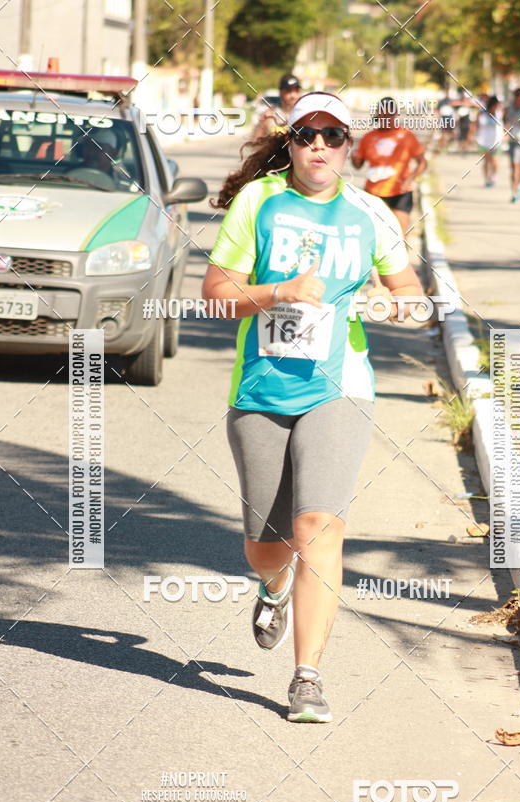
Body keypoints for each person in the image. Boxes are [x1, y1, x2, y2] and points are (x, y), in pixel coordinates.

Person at [202, 91, 423, 722]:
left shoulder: (370, 213)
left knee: (317, 527)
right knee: (267, 546)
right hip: (260, 388)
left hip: (341, 384)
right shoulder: (259, 201)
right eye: (306, 135)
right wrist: (279, 292)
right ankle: (272, 588)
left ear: (348, 144)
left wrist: (401, 303)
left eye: (331, 136)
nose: (319, 146)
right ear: (290, 141)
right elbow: (216, 294)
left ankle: (307, 677)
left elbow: (405, 286)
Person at [351, 96, 427, 237]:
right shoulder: (368, 137)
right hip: (373, 193)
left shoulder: (406, 135)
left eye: (390, 113)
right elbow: (358, 165)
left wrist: (410, 179)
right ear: (378, 114)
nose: (386, 116)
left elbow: (422, 162)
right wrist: (353, 157)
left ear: (395, 114)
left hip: (400, 192)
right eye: (383, 113)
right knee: (374, 236)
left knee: (400, 235)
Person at [251, 73, 302, 141]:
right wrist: (262, 122)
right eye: (288, 91)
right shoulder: (270, 114)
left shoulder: (304, 114)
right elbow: (255, 142)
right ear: (281, 92)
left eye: (296, 91)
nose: (293, 95)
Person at [504, 87, 520, 202]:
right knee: (514, 167)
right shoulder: (508, 109)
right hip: (513, 141)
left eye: (519, 96)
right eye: (516, 96)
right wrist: (506, 130)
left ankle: (519, 186)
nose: (518, 99)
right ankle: (514, 192)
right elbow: (504, 122)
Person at [474, 95, 503, 187]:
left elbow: (505, 124)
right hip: (484, 141)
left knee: (495, 162)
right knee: (487, 161)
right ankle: (486, 179)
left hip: (497, 142)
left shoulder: (500, 114)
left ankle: (493, 176)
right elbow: (475, 125)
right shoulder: (482, 114)